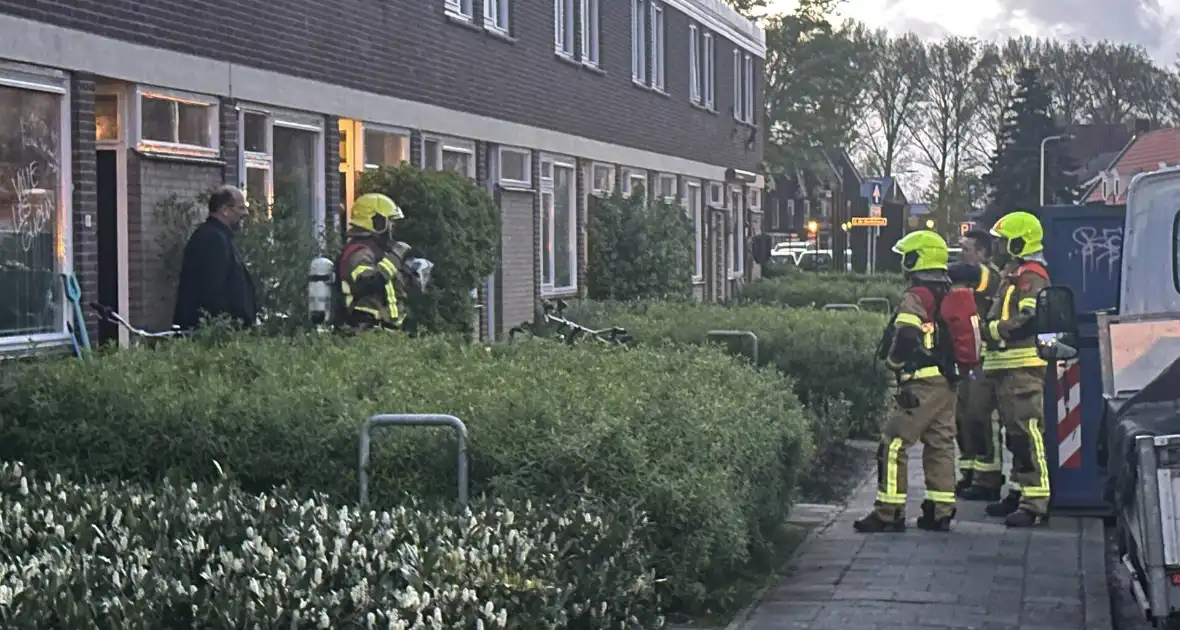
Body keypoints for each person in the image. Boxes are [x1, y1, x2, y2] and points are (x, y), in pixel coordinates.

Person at [854, 230, 959, 533]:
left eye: (906, 257)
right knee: (940, 444)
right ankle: (940, 510)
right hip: (947, 380)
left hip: (921, 383)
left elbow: (909, 334)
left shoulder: (917, 295)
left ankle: (888, 512)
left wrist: (895, 362)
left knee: (893, 444)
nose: (903, 263)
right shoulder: (948, 291)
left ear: (917, 258)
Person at [981, 211, 1052, 528]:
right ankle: (1018, 490)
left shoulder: (1032, 276)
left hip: (1023, 366)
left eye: (1004, 240)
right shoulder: (1016, 271)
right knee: (1015, 435)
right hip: (1007, 368)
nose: (999, 247)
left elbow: (1031, 318)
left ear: (1019, 240)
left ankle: (1035, 502)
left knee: (1027, 433)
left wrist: (997, 331)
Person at [950, 229, 1005, 501]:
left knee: (979, 415)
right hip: (965, 358)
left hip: (984, 358)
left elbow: (979, 282)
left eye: (966, 250)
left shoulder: (990, 277)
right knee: (962, 418)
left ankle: (989, 477)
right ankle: (969, 471)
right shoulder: (967, 279)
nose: (961, 256)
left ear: (982, 253)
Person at [172, 185, 257, 330]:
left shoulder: (218, 236)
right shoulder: (213, 239)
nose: (245, 213)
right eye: (241, 208)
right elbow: (212, 290)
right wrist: (227, 325)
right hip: (213, 333)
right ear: (224, 210)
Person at [337, 193, 405, 330]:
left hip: (381, 331)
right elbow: (367, 282)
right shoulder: (359, 251)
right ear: (377, 222)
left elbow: (386, 289)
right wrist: (395, 257)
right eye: (389, 222)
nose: (392, 227)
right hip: (365, 330)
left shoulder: (375, 250)